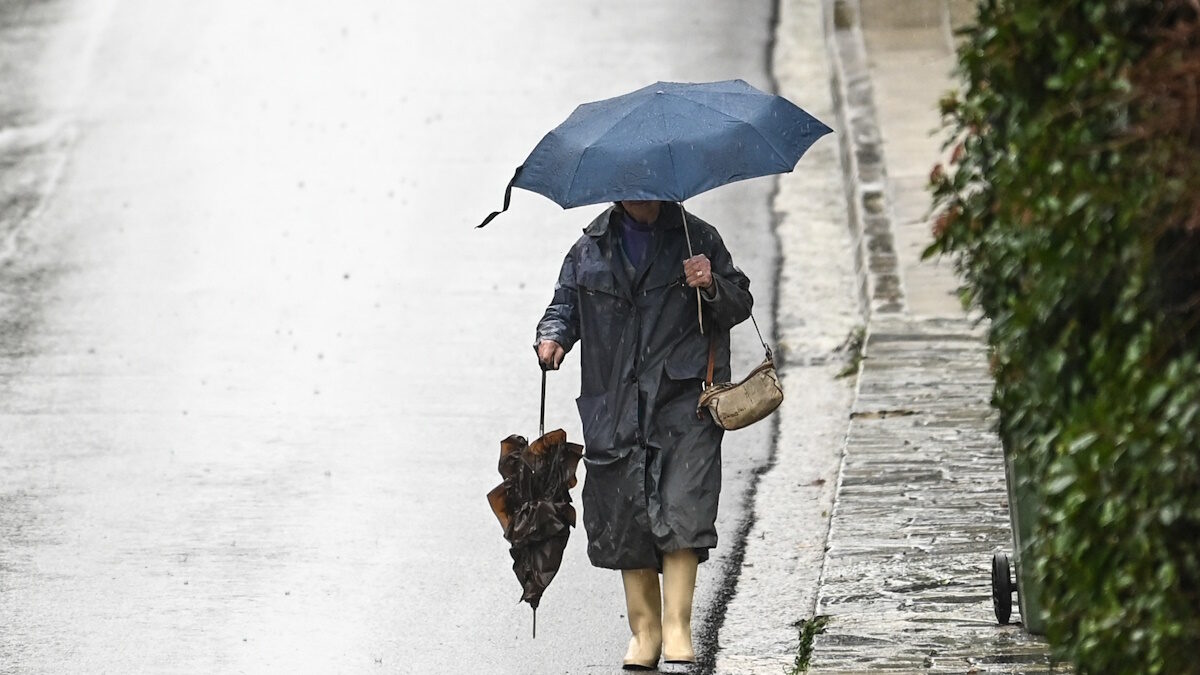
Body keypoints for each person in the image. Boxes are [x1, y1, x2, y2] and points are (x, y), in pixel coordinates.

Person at [535, 199, 752, 669]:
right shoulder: (588, 250)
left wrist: (711, 283)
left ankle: (677, 626)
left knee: (683, 504)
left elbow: (740, 302)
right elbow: (563, 306)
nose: (642, 197)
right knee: (626, 512)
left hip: (683, 398)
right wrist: (552, 336)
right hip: (614, 402)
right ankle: (645, 632)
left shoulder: (700, 238)